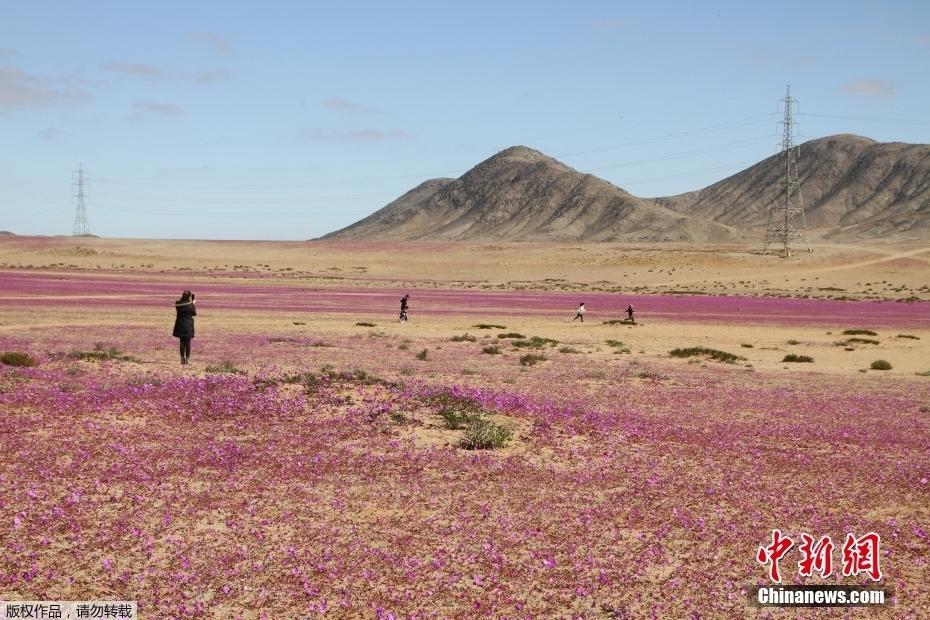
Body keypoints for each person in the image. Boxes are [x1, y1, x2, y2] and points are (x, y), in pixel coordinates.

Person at [173, 290, 196, 364]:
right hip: (188, 325)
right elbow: (194, 313)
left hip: (180, 324)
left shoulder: (178, 303)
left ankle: (182, 359)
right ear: (189, 296)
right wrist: (193, 304)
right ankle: (187, 360)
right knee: (188, 342)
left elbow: (179, 307)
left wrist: (191, 303)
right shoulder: (190, 305)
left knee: (182, 342)